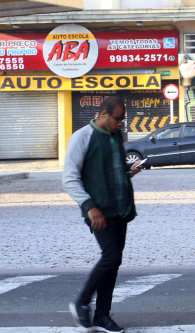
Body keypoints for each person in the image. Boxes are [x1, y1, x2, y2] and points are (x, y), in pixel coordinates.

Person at [63, 97, 143, 333]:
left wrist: (128, 173)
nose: (121, 123)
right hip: (98, 210)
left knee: (114, 260)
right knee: (110, 256)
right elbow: (69, 178)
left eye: (123, 119)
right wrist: (89, 206)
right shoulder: (82, 137)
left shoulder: (115, 136)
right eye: (117, 118)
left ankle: (102, 316)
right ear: (103, 114)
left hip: (120, 208)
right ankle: (81, 302)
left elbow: (112, 172)